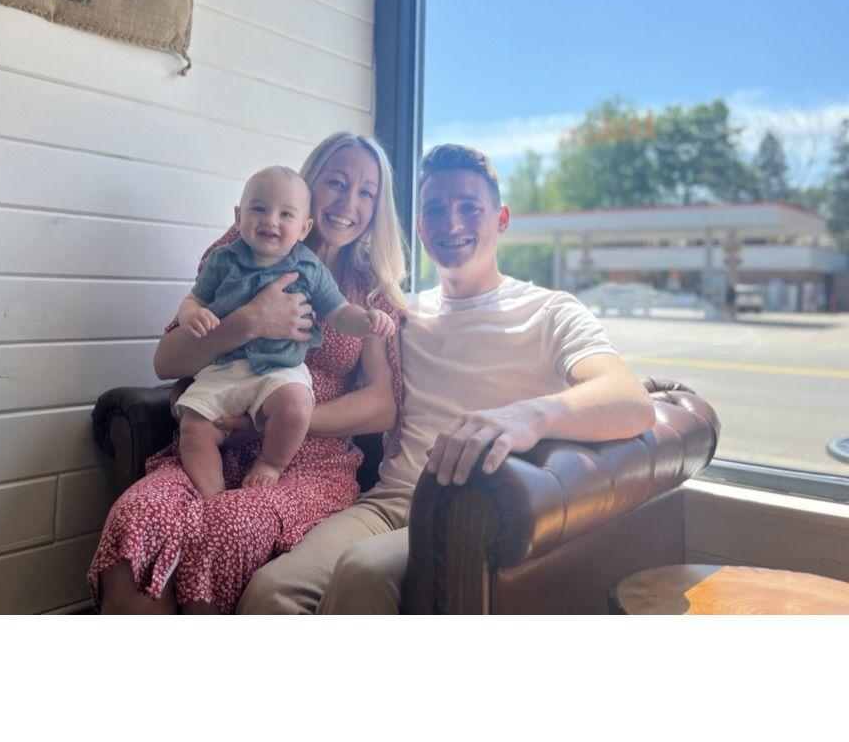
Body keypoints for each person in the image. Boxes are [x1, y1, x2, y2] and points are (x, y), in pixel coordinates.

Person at [236, 143, 657, 614]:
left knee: (363, 572)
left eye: (469, 208)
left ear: (501, 219)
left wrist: (528, 417)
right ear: (420, 227)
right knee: (273, 590)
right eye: (435, 210)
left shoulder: (549, 310)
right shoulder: (403, 314)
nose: (451, 224)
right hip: (388, 502)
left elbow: (630, 400)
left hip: (473, 512)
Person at [87, 132, 408, 614]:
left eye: (366, 193)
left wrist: (274, 423)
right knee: (137, 516)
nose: (349, 203)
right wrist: (250, 321)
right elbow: (167, 361)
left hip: (309, 464)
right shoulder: (240, 247)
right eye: (337, 183)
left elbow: (382, 406)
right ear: (309, 186)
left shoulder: (371, 288)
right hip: (211, 445)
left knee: (226, 527)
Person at [174, 165, 395, 497]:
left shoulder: (309, 268)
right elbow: (193, 301)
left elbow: (338, 312)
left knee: (295, 403)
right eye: (259, 209)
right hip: (224, 368)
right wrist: (193, 314)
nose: (270, 221)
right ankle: (211, 496)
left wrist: (365, 320)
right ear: (238, 216)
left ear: (304, 227)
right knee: (194, 428)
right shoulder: (224, 258)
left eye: (285, 214)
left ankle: (270, 463)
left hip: (280, 371)